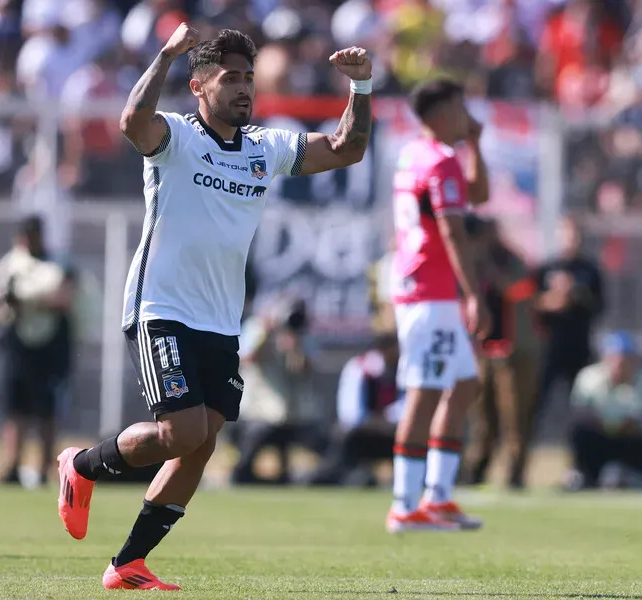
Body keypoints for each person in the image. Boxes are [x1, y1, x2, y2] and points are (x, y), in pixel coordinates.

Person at [55, 25, 372, 591]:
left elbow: (348, 148)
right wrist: (166, 56)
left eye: (249, 77)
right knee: (181, 432)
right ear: (199, 85)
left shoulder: (263, 148)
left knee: (200, 444)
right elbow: (132, 124)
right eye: (232, 78)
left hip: (221, 320)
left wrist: (362, 87)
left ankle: (127, 563)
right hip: (162, 306)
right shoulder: (175, 136)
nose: (245, 88)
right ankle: (80, 466)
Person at [387, 77, 491, 533]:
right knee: (425, 393)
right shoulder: (442, 161)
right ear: (442, 112)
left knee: (466, 384)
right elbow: (452, 230)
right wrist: (474, 295)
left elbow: (478, 197)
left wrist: (476, 146)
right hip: (430, 293)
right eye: (460, 106)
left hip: (421, 290)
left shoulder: (415, 154)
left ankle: (438, 498)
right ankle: (405, 506)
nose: (466, 114)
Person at [0, 215, 76, 486]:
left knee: (46, 409)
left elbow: (63, 298)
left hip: (49, 343)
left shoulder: (58, 263)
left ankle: (46, 468)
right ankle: (12, 465)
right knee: (15, 408)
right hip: (18, 343)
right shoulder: (12, 264)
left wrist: (27, 299)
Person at [462, 215, 540, 490]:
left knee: (514, 416)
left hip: (515, 350)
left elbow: (521, 291)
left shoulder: (511, 260)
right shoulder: (471, 265)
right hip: (484, 351)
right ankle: (477, 468)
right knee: (482, 416)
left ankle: (515, 473)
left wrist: (494, 274)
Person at [231, 298, 325, 485]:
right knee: (256, 438)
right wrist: (266, 334)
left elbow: (307, 370)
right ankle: (242, 475)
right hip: (257, 412)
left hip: (294, 414)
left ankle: (301, 478)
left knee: (324, 445)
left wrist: (295, 345)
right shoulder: (258, 327)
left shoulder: (302, 334)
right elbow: (246, 358)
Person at [566, 332, 642, 490]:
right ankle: (588, 475)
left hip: (633, 439)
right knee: (579, 433)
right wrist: (605, 424)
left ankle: (636, 474)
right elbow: (580, 412)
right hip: (600, 437)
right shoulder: (589, 378)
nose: (620, 365)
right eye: (615, 359)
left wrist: (639, 425)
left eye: (626, 360)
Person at [532, 215, 605, 430]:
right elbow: (531, 303)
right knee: (535, 402)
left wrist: (575, 294)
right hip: (549, 347)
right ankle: (522, 450)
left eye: (576, 235)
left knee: (583, 404)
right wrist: (552, 301)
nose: (571, 240)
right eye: (567, 234)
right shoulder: (546, 269)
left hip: (578, 346)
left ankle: (584, 454)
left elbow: (599, 306)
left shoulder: (589, 271)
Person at [307, 332, 404, 487]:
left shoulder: (404, 370)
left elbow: (407, 409)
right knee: (345, 438)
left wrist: (389, 419)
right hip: (361, 436)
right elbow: (352, 416)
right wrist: (378, 421)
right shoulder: (360, 368)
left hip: (392, 434)